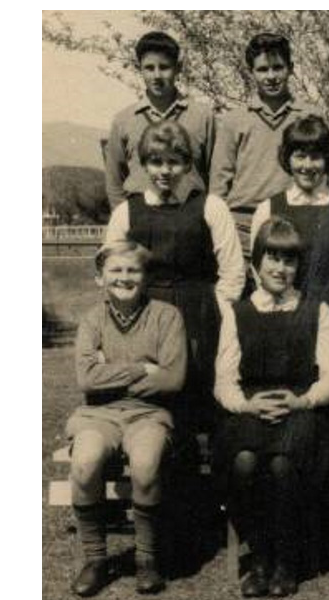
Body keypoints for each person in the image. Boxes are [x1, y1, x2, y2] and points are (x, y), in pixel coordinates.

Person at [214, 217, 329, 598]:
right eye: (272, 258)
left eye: (289, 261)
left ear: (298, 267)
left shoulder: (317, 311)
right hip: (250, 411)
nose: (280, 269)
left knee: (285, 462)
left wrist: (303, 400)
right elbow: (224, 380)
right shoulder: (237, 313)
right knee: (245, 462)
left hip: (301, 412)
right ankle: (260, 557)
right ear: (256, 264)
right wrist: (246, 405)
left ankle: (286, 559)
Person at [104, 120, 245, 436]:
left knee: (201, 405)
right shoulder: (126, 212)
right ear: (144, 164)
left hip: (199, 314)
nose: (164, 171)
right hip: (146, 315)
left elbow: (233, 272)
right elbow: (111, 271)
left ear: (187, 164)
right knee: (154, 404)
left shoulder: (210, 207)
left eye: (173, 161)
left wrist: (213, 315)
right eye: (156, 161)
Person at [66, 241, 187, 597]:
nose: (124, 277)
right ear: (99, 278)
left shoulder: (167, 316)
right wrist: (141, 368)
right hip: (97, 414)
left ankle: (146, 561)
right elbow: (86, 379)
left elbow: (172, 379)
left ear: (145, 277)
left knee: (146, 464)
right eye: (115, 271)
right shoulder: (92, 320)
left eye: (133, 270)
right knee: (86, 462)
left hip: (149, 415)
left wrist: (110, 371)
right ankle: (96, 559)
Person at [250, 115, 329, 431]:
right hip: (282, 327)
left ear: (328, 160)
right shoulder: (268, 208)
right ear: (287, 159)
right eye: (299, 155)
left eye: (315, 156)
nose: (307, 165)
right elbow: (260, 273)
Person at [211, 33, 326, 259]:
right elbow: (219, 181)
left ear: (291, 68)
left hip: (296, 219)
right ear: (251, 72)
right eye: (263, 69)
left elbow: (324, 173)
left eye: (278, 67)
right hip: (242, 224)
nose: (271, 76)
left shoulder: (311, 116)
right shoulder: (234, 120)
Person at [105, 31, 215, 209]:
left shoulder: (203, 117)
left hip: (191, 217)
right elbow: (114, 181)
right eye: (149, 68)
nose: (156, 76)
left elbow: (215, 176)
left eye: (164, 67)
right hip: (140, 218)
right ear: (139, 68)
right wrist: (125, 220)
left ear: (178, 68)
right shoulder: (123, 120)